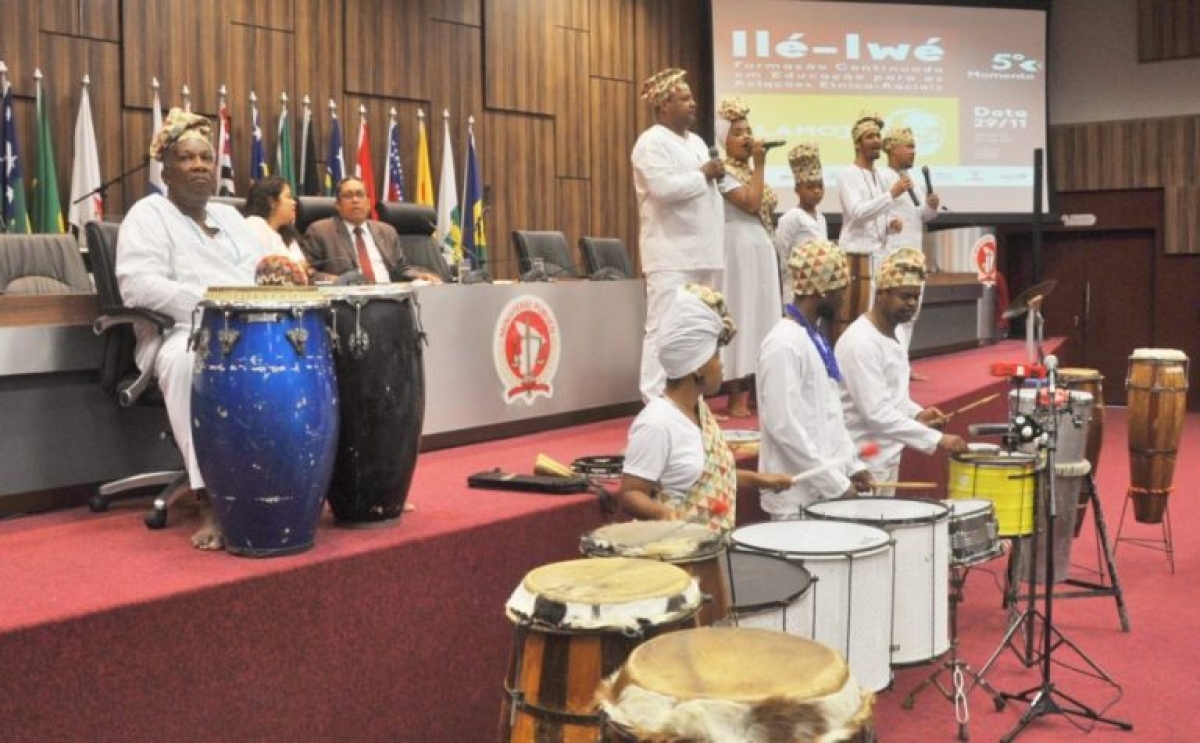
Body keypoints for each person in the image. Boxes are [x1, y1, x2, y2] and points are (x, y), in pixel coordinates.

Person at [116, 108, 267, 550]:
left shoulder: (233, 219)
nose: (200, 166)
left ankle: (309, 481)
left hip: (250, 326)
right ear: (165, 171)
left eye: (206, 158)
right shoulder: (148, 215)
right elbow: (138, 287)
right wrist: (213, 304)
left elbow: (257, 274)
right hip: (179, 333)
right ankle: (210, 499)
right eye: (186, 158)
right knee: (193, 361)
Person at [619, 284, 792, 532]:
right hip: (676, 551)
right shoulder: (657, 422)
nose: (721, 366)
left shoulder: (700, 410)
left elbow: (711, 478)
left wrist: (760, 480)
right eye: (716, 356)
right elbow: (631, 492)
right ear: (696, 366)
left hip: (713, 548)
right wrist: (666, 515)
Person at [834, 248, 968, 494]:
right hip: (862, 461)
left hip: (888, 454)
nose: (912, 304)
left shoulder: (896, 333)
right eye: (905, 296)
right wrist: (937, 439)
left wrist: (918, 414)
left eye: (916, 297)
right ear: (881, 294)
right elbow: (876, 413)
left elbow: (893, 397)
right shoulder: (860, 341)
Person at [631, 68, 728, 401]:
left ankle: (690, 399)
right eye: (684, 98)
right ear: (663, 106)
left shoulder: (698, 142)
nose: (693, 103)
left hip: (705, 252)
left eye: (692, 97)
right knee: (662, 326)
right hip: (671, 254)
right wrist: (703, 175)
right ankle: (654, 399)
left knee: (698, 327)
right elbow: (662, 189)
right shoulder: (650, 142)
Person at [758, 240, 873, 518]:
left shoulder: (814, 338)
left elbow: (831, 416)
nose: (844, 296)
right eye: (841, 288)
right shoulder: (782, 343)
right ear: (821, 290)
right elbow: (784, 426)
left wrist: (852, 465)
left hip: (823, 492)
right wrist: (835, 483)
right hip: (796, 499)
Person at [714, 97, 782, 417]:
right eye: (738, 132)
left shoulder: (746, 170)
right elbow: (752, 203)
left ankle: (759, 390)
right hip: (737, 249)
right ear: (723, 139)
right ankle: (735, 395)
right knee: (741, 314)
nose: (746, 137)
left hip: (760, 248)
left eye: (748, 131)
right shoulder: (722, 172)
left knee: (763, 316)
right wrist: (761, 164)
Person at [301, 176, 442, 284]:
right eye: (348, 195)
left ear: (368, 203)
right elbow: (307, 273)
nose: (355, 200)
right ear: (337, 205)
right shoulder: (320, 231)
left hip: (391, 299)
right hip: (350, 302)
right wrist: (337, 281)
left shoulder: (387, 231)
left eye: (360, 194)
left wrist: (419, 275)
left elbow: (401, 269)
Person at [879, 126, 940, 358]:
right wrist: (889, 222)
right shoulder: (882, 177)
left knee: (911, 312)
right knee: (896, 311)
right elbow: (875, 211)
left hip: (915, 254)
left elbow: (921, 215)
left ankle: (902, 362)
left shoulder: (911, 179)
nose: (914, 151)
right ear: (893, 149)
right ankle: (892, 361)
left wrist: (931, 207)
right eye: (909, 146)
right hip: (894, 256)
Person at [837, 112, 911, 279]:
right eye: (870, 137)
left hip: (880, 255)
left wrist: (890, 223)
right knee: (861, 298)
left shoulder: (880, 175)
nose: (877, 140)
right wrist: (891, 194)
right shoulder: (847, 174)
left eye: (878, 136)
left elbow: (878, 214)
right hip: (856, 255)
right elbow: (857, 213)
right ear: (858, 144)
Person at [774, 142, 827, 304]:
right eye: (810, 187)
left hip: (819, 286)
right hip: (796, 287)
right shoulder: (791, 217)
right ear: (797, 189)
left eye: (820, 186)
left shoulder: (822, 218)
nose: (816, 191)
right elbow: (782, 255)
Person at [243, 175, 320, 281]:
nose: (294, 202)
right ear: (272, 202)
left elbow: (303, 266)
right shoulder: (255, 224)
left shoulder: (287, 233)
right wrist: (297, 269)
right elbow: (268, 269)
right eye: (288, 197)